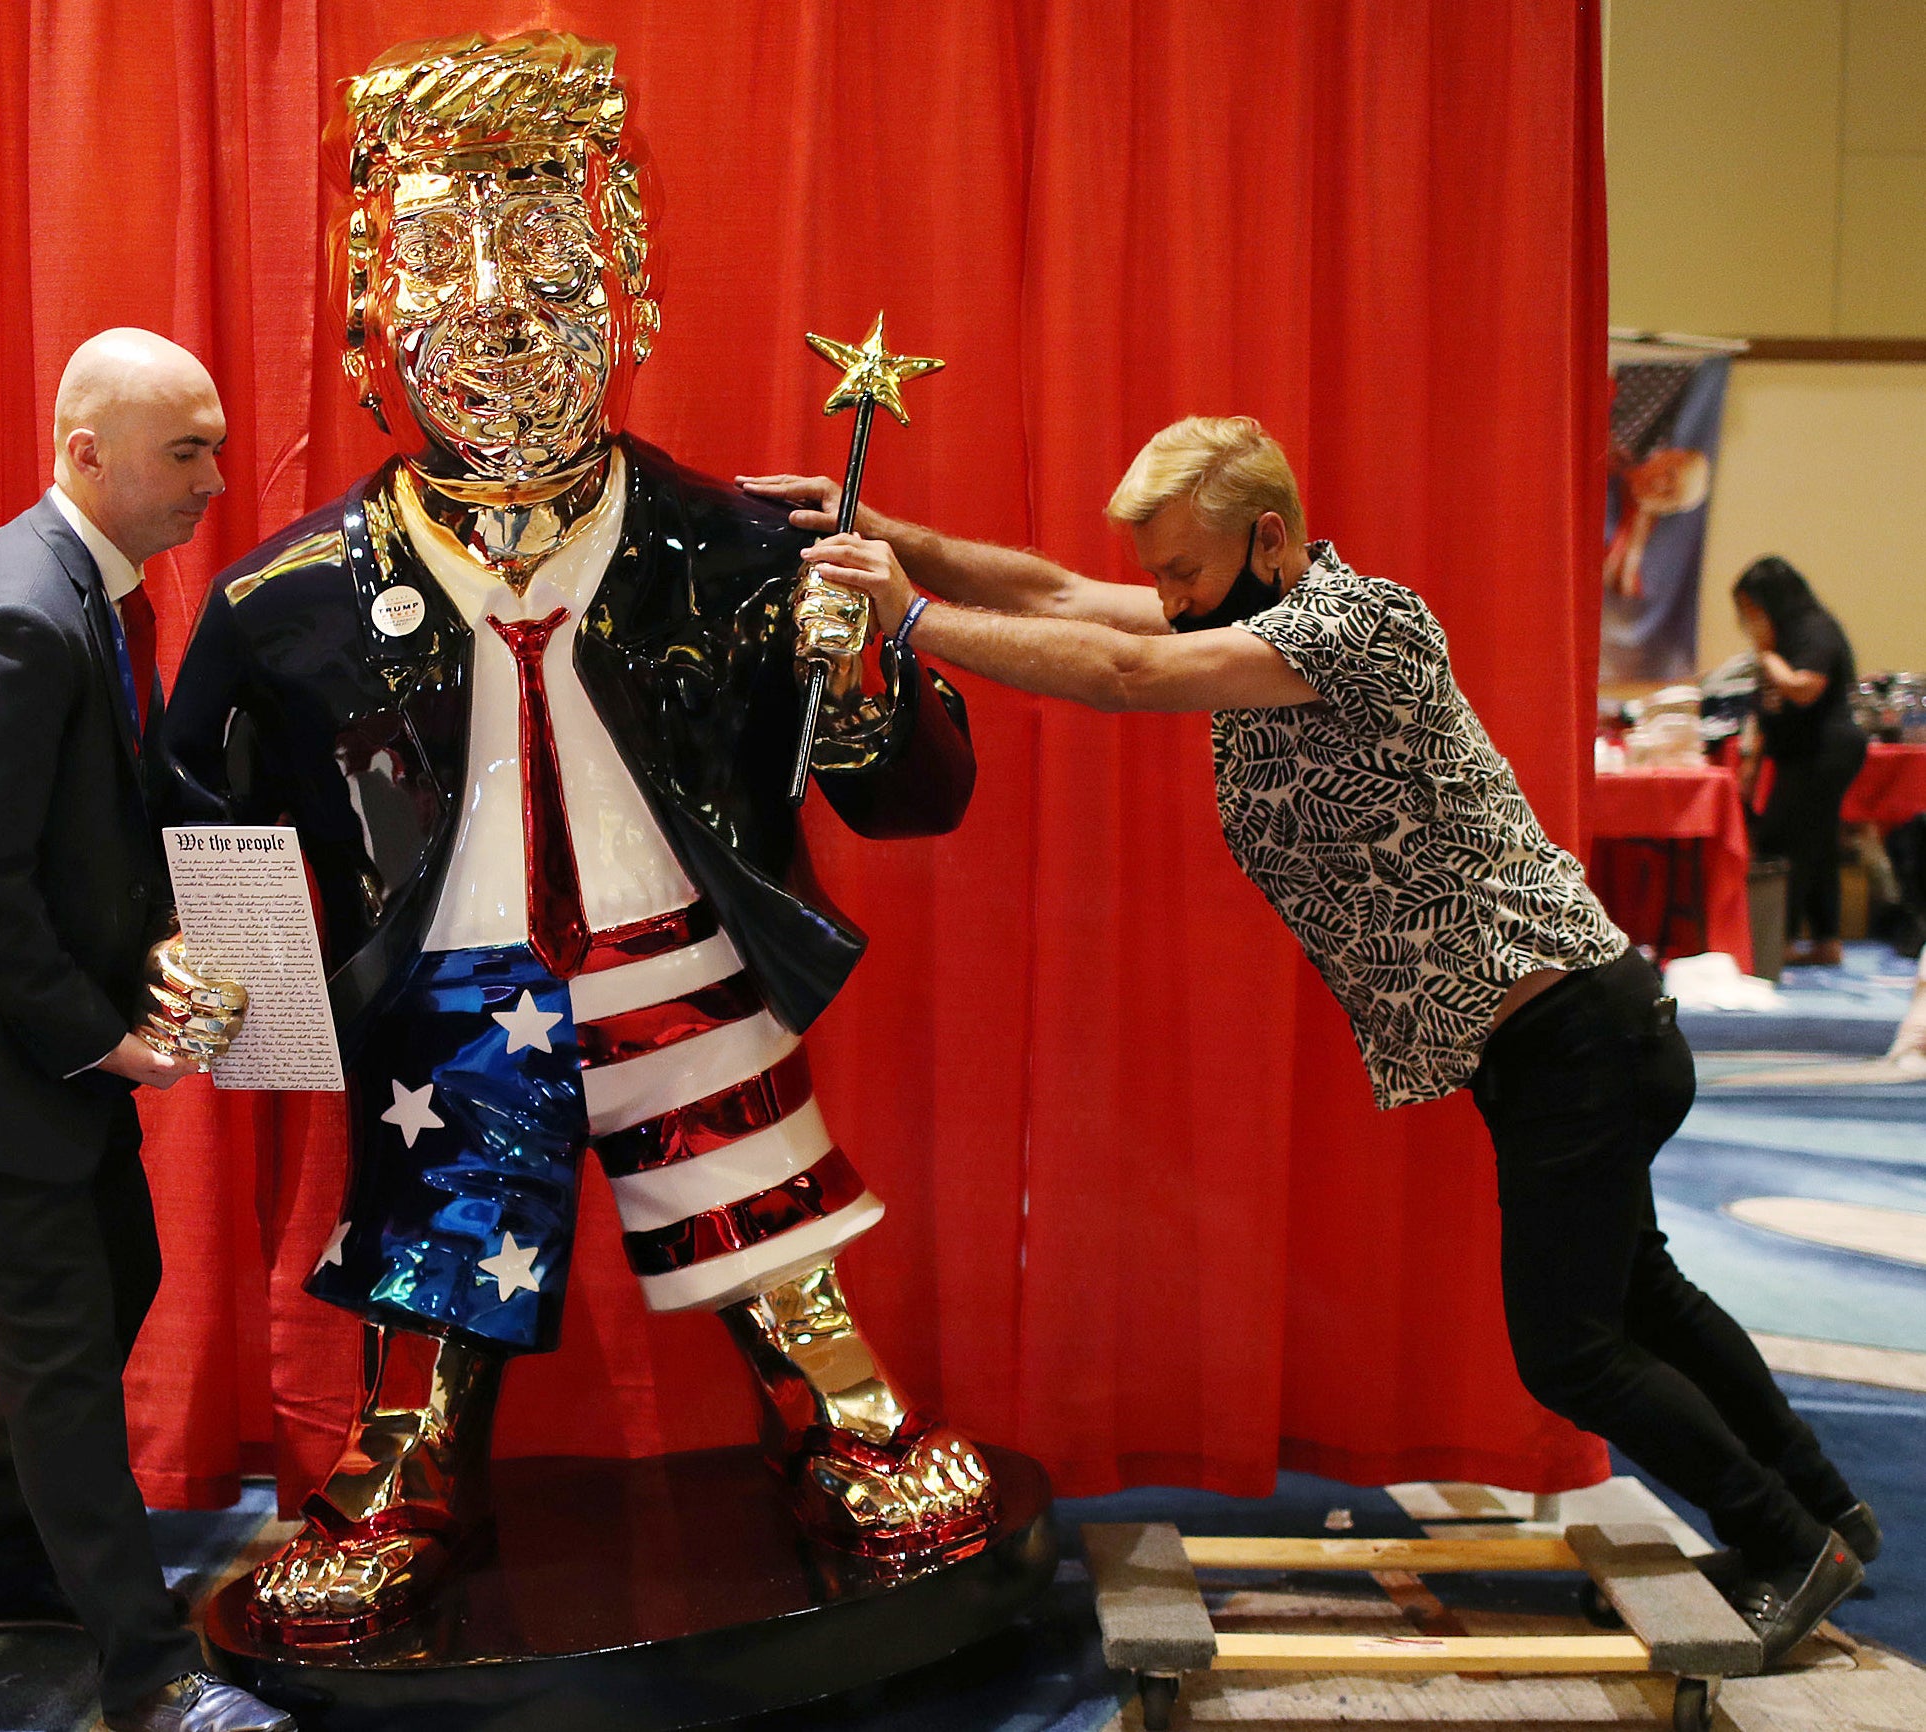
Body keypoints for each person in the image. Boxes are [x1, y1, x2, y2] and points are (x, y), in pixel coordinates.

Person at [740, 415, 1878, 1665]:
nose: (1167, 597)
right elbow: (1064, 595)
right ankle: (1828, 1510)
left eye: (1183, 570)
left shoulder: (1356, 625)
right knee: (1641, 1296)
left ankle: (1783, 1543)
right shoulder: (1252, 617)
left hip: (1576, 1034)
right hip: (1560, 1036)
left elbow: (1123, 676)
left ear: (1268, 540)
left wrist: (909, 619)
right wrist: (885, 539)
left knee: (1573, 1351)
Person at [149, 31, 993, 1651]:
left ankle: (839, 1411)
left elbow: (910, 793)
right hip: (450, 982)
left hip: (678, 951)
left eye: (540, 244)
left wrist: (865, 679)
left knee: (762, 1200)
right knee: (438, 1236)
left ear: (622, 280)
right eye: (441, 256)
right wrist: (204, 963)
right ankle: (403, 1470)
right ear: (371, 305)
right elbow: (200, 811)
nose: (497, 308)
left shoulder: (739, 550)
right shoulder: (287, 601)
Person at [0, 329, 292, 1732]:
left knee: (119, 1271)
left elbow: (80, 832)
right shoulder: (18, 614)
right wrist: (108, 1041)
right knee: (67, 1348)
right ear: (86, 453)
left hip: (11, 1026)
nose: (216, 477)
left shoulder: (89, 589)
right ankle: (150, 1678)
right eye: (186, 451)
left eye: (212, 442)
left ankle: (3, 1567)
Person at [1733, 557, 1868, 968]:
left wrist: (1767, 659)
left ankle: (1781, 940)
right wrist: (1753, 762)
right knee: (1819, 841)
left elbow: (1804, 690)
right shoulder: (1784, 639)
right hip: (1798, 752)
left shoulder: (1814, 630)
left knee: (1782, 839)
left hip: (1826, 751)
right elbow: (1768, 710)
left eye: (1751, 608)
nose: (1748, 619)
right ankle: (1826, 940)